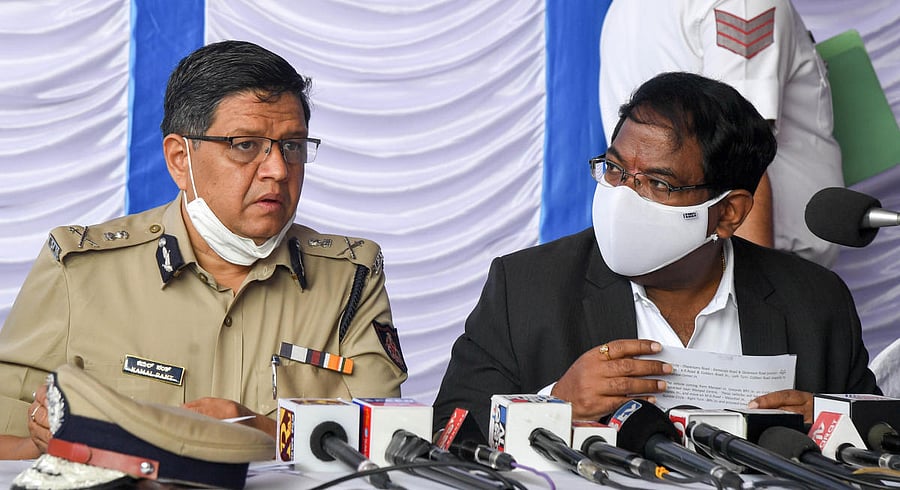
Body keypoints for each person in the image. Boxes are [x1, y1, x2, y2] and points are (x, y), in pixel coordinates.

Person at [0, 40, 408, 459]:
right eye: (246, 145)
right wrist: (59, 443)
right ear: (180, 159)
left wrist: (263, 431)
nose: (278, 170)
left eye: (293, 146)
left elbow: (387, 444)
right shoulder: (79, 271)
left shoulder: (350, 277)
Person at [432, 72, 879, 443]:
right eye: (615, 169)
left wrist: (830, 427)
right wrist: (553, 405)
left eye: (657, 184)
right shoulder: (527, 287)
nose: (623, 196)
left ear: (728, 212)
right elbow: (447, 435)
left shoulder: (816, 302)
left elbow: (882, 439)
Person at [599, 0, 843, 267]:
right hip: (750, 262)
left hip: (668, 257)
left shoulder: (624, 7)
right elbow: (739, 156)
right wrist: (758, 295)